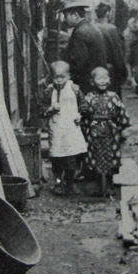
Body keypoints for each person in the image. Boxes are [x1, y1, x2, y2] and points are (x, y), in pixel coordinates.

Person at [41, 61, 88, 195]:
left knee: (72, 156)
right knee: (57, 157)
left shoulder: (75, 89)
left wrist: (81, 115)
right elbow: (40, 110)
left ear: (68, 76)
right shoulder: (49, 91)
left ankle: (70, 182)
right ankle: (58, 182)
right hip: (57, 128)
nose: (60, 80)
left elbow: (83, 105)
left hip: (72, 127)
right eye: (56, 77)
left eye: (63, 77)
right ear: (51, 77)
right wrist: (50, 109)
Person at [82, 67, 130, 197]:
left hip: (111, 132)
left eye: (105, 78)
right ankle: (98, 185)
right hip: (94, 132)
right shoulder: (89, 98)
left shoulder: (113, 97)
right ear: (92, 82)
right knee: (95, 157)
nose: (102, 81)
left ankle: (109, 184)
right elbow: (84, 115)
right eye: (99, 78)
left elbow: (121, 114)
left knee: (111, 156)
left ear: (109, 80)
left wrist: (122, 128)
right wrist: (86, 129)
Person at [60, 0, 107, 94]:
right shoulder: (92, 28)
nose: (64, 19)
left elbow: (79, 63)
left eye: (66, 16)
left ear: (75, 15)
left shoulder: (79, 33)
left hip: (85, 85)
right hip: (95, 81)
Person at [95, 2, 128, 97]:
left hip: (95, 71)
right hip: (110, 72)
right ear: (108, 13)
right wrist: (123, 73)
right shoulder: (112, 29)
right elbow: (118, 53)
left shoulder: (92, 27)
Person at [123, 16, 138, 89]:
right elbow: (127, 57)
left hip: (136, 51)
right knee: (129, 60)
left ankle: (133, 78)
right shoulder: (128, 33)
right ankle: (130, 78)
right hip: (131, 49)